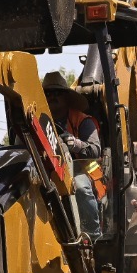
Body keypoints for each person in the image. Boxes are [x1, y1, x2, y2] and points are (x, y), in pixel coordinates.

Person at [41, 71, 106, 236]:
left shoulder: (83, 121)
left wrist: (76, 144)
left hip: (79, 170)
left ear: (67, 98)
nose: (52, 97)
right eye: (48, 94)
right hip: (46, 173)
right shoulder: (38, 121)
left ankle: (93, 236)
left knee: (81, 189)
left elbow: (96, 149)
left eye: (58, 93)